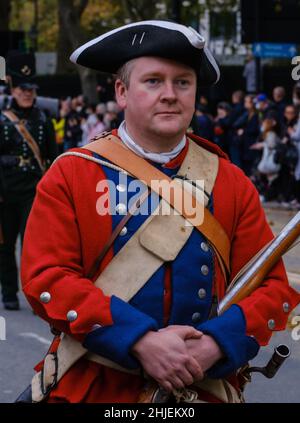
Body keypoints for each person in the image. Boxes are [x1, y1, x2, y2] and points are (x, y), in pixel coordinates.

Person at [21, 21, 300, 403]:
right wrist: (140, 340)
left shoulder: (231, 182)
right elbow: (47, 276)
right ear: (122, 91)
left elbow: (272, 288)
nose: (170, 94)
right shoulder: (71, 174)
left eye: (183, 82)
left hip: (201, 389)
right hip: (96, 390)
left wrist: (216, 345)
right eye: (153, 81)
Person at [0, 51, 58, 311]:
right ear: (12, 87)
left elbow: (53, 159)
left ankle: (35, 296)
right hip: (4, 191)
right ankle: (9, 292)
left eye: (31, 89)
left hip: (34, 192)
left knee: (32, 248)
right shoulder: (1, 120)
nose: (27, 93)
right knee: (4, 245)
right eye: (22, 89)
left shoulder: (44, 121)